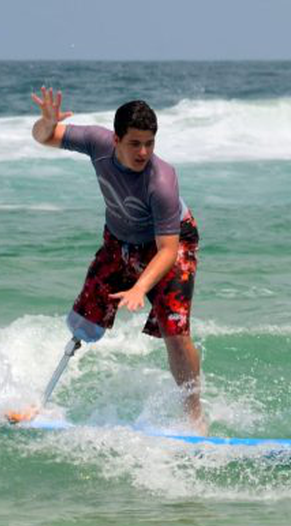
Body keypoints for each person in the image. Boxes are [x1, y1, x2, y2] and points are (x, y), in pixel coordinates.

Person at [30, 86, 206, 434]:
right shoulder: (96, 143)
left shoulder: (162, 182)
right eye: (135, 143)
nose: (143, 152)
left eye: (150, 143)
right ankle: (41, 403)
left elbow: (168, 250)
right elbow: (44, 138)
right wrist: (46, 124)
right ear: (116, 139)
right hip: (119, 240)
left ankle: (195, 417)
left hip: (171, 242)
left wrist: (140, 287)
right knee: (83, 323)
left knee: (175, 329)